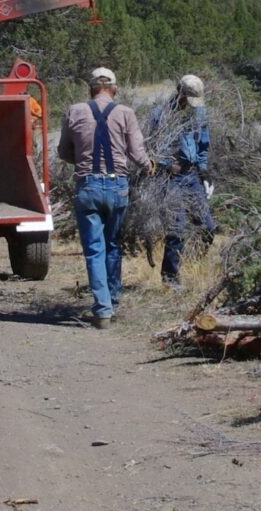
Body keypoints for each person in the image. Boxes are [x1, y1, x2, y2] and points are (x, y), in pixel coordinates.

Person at [58, 67, 153, 329]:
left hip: (87, 186)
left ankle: (102, 311)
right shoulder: (125, 113)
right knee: (112, 245)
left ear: (91, 88)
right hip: (117, 187)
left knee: (94, 250)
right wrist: (149, 166)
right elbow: (137, 152)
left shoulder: (75, 111)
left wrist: (84, 159)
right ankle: (114, 299)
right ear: (114, 88)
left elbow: (64, 152)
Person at [153, 74, 216, 288]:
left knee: (207, 227)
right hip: (170, 179)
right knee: (176, 229)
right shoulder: (160, 115)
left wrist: (204, 169)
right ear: (179, 91)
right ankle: (171, 279)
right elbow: (150, 148)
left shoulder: (199, 114)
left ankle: (192, 264)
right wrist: (165, 164)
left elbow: (203, 144)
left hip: (191, 177)